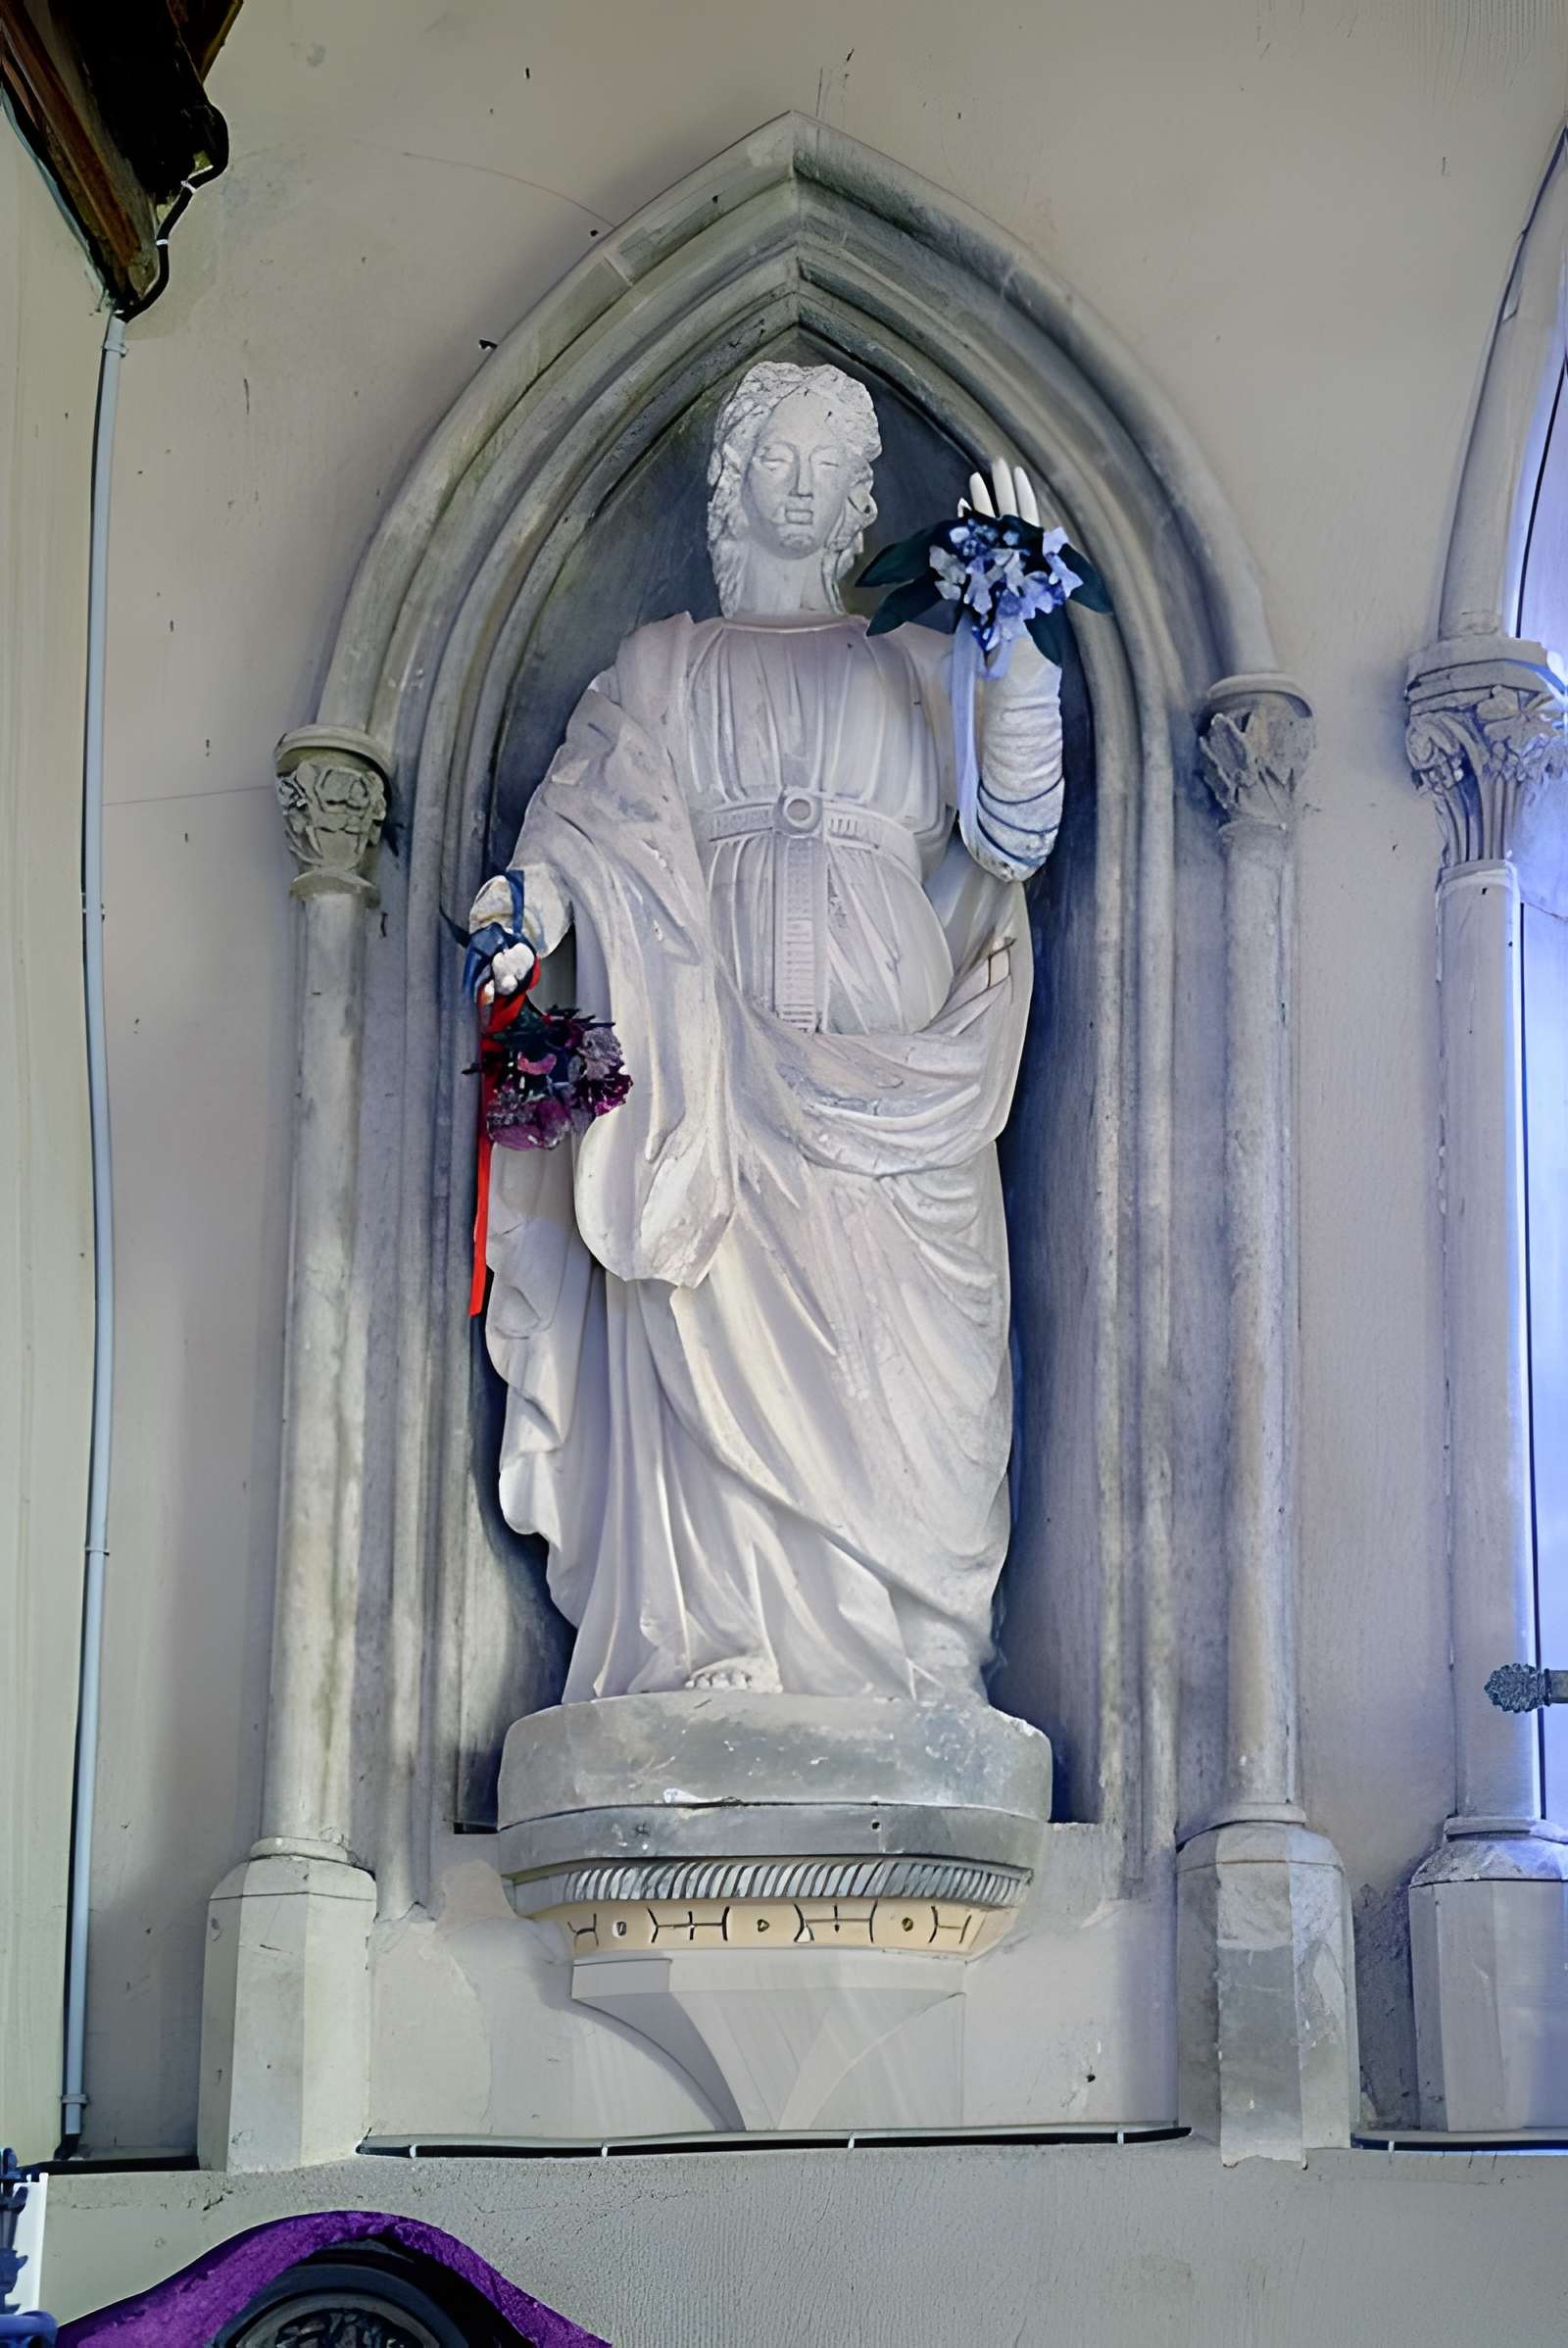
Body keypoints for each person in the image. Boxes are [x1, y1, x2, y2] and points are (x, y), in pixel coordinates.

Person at [468, 360, 1065, 1703]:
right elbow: (585, 825)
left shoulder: (919, 664)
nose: (799, 484)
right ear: (734, 485)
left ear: (860, 497)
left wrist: (1015, 634)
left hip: (900, 1068)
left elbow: (1017, 827)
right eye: (774, 459)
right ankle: (709, 1641)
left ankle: (915, 1647)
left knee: (901, 1354)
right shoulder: (665, 665)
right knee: (702, 1307)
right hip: (707, 1049)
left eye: (825, 462)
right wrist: (528, 904)